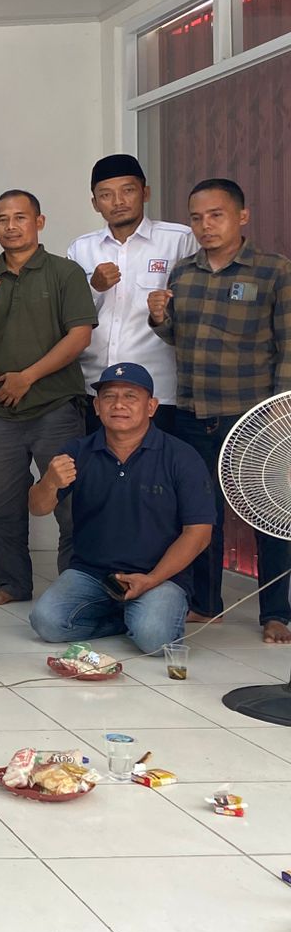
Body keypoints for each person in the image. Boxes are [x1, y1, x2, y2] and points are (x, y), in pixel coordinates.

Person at [151, 178, 291, 640]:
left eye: (216, 215)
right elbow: (177, 338)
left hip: (255, 418)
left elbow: (289, 345)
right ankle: (206, 604)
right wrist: (159, 318)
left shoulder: (274, 271)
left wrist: (281, 410)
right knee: (200, 514)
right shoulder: (183, 272)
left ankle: (276, 613)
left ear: (242, 216)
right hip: (193, 412)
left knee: (268, 516)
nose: (205, 225)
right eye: (197, 218)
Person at [0, 191, 96, 606]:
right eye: (3, 219)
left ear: (39, 222)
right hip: (0, 412)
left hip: (55, 406)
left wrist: (28, 377)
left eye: (21, 217)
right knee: (2, 504)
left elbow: (80, 336)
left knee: (69, 501)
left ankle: (76, 586)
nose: (11, 226)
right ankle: (13, 585)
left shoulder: (65, 272)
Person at [27, 363, 212, 653]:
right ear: (96, 406)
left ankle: (140, 617)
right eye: (109, 397)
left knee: (154, 639)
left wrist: (152, 579)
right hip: (92, 573)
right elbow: (37, 508)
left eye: (130, 396)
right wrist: (49, 482)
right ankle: (122, 620)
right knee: (47, 623)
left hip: (159, 575)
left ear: (151, 407)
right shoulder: (78, 451)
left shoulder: (181, 456)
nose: (119, 405)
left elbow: (199, 534)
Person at [66, 154, 197, 433]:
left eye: (127, 190)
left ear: (145, 193)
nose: (118, 201)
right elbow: (68, 316)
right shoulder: (81, 249)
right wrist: (93, 287)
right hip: (95, 388)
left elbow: (195, 308)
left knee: (158, 462)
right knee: (98, 460)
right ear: (95, 203)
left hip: (159, 389)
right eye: (106, 195)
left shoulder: (179, 240)